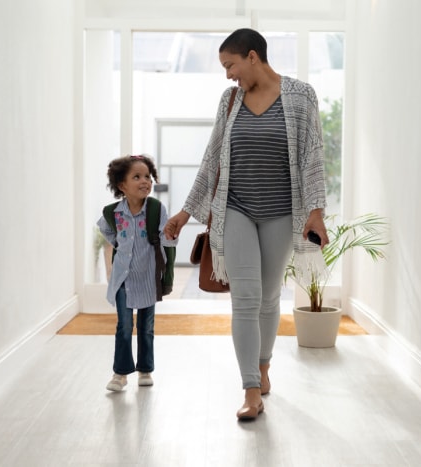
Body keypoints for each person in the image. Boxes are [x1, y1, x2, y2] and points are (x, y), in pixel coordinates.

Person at [164, 28, 329, 420]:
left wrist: (316, 211)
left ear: (252, 57)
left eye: (230, 65)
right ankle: (250, 389)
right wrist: (186, 212)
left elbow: (312, 156)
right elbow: (211, 159)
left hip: (280, 213)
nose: (228, 75)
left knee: (269, 297)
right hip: (234, 210)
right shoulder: (230, 100)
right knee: (247, 297)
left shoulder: (301, 96)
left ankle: (264, 366)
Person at [97, 154, 178, 391]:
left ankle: (145, 369)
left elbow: (165, 239)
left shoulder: (156, 209)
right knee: (124, 325)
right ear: (122, 185)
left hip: (147, 278)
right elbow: (108, 232)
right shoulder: (114, 213)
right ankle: (120, 373)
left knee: (146, 326)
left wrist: (171, 237)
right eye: (137, 177)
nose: (145, 181)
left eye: (147, 177)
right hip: (123, 279)